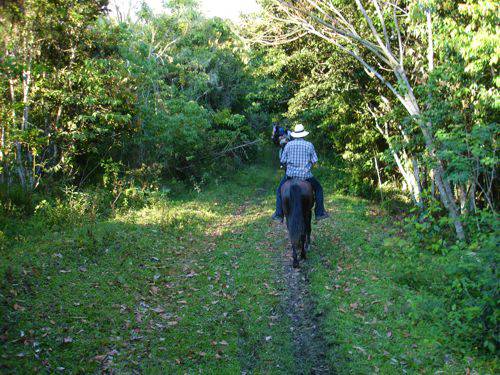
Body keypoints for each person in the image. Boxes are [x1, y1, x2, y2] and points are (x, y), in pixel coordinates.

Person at [271, 123, 329, 222]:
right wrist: (309, 165)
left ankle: (279, 214)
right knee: (319, 189)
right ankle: (319, 213)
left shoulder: (288, 145)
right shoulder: (309, 145)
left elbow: (283, 160)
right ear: (303, 134)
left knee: (279, 191)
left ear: (295, 134)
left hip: (290, 175)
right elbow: (315, 160)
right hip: (306, 176)